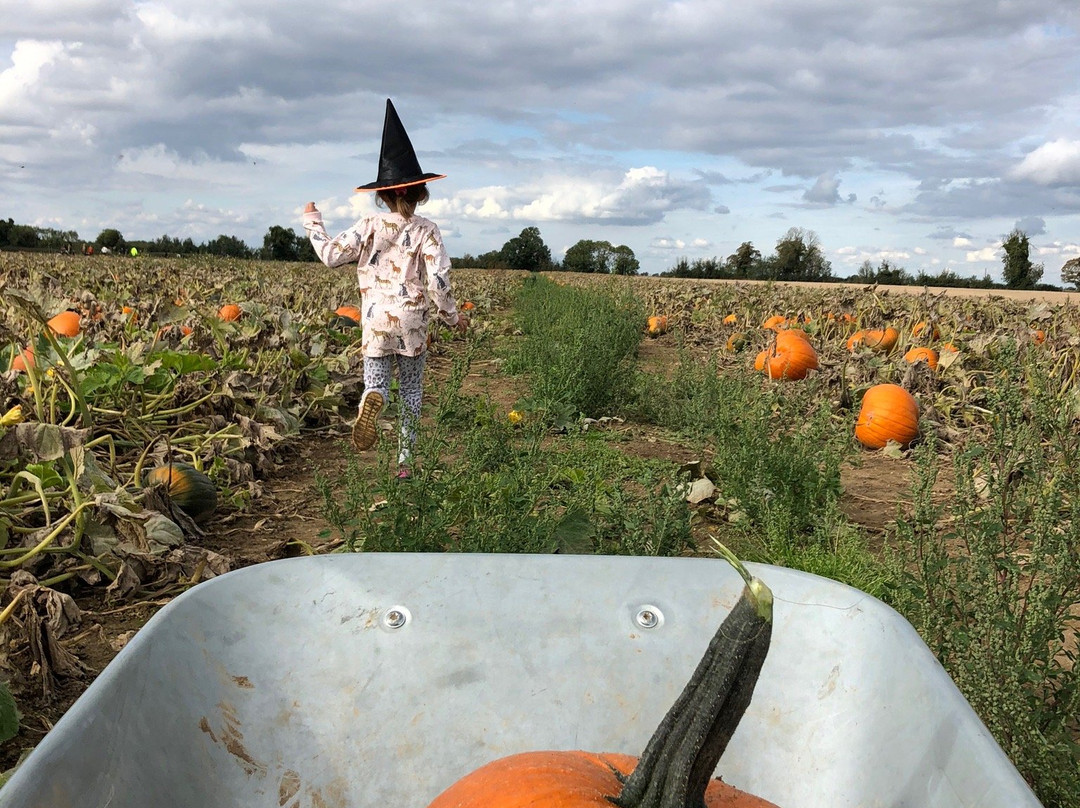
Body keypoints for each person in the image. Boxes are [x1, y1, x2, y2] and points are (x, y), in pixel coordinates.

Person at [303, 98, 468, 478]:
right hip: (411, 321)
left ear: (384, 195)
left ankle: (370, 398)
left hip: (377, 320)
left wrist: (313, 219)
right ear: (420, 192)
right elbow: (439, 280)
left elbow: (330, 255)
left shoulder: (369, 225)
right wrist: (452, 317)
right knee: (411, 392)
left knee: (376, 381)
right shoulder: (428, 230)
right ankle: (405, 463)